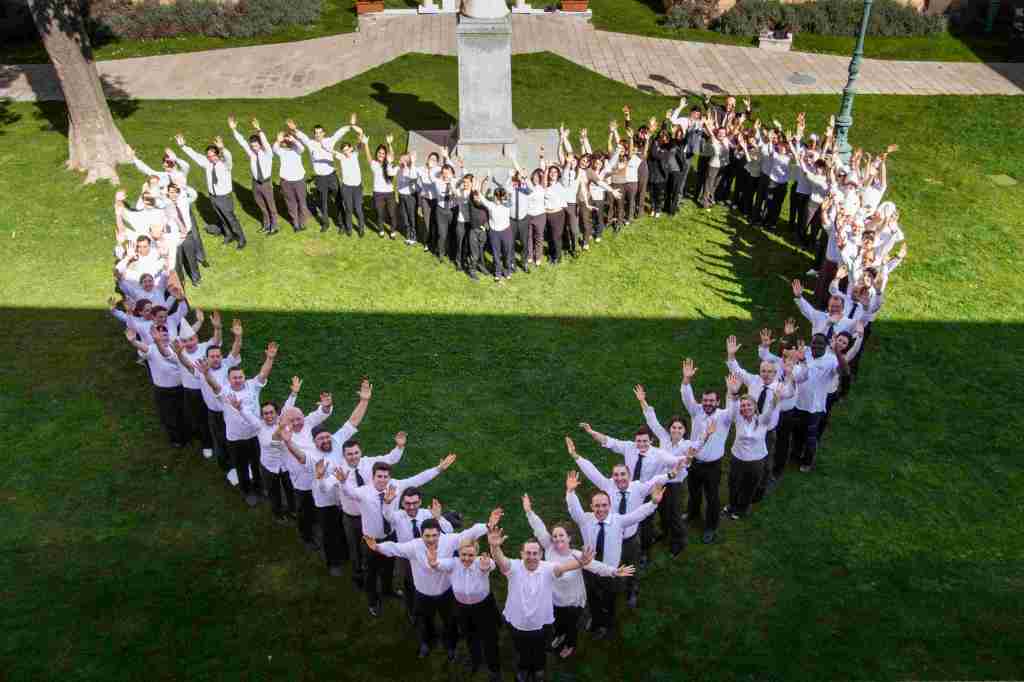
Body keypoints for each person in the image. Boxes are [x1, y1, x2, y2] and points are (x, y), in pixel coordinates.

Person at [364, 507, 502, 660]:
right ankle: (426, 643)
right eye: (427, 536)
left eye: (435, 535)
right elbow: (395, 548)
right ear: (421, 534)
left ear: (440, 533)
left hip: (446, 592)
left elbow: (469, 533)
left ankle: (451, 646)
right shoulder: (414, 546)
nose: (431, 539)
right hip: (423, 594)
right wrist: (378, 547)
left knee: (450, 621)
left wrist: (488, 526)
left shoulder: (449, 540)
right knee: (424, 621)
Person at [522, 493, 634, 660]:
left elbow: (596, 566)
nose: (557, 538)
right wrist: (529, 511)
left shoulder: (577, 555)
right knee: (557, 621)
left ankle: (570, 644)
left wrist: (613, 571)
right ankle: (559, 635)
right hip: (554, 598)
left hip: (572, 602)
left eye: (561, 535)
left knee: (571, 626)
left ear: (569, 538)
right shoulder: (549, 548)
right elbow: (539, 529)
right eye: (555, 536)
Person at [344, 453, 458, 616]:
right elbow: (349, 493)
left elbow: (418, 479)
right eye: (379, 476)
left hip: (391, 535)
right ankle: (372, 601)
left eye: (386, 476)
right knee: (371, 573)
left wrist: (438, 469)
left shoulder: (396, 485)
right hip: (371, 539)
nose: (383, 480)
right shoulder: (363, 492)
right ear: (373, 477)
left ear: (390, 477)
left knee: (389, 568)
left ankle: (387, 590)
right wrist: (343, 482)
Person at [565, 436, 671, 610]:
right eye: (616, 475)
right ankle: (607, 590)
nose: (619, 478)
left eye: (623, 474)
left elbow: (642, 507)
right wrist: (576, 456)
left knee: (630, 566)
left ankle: (631, 590)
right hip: (610, 538)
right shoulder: (608, 486)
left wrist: (668, 479)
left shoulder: (637, 487)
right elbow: (592, 472)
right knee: (608, 566)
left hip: (629, 539)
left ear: (629, 476)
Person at [487, 523, 593, 682]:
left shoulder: (548, 568)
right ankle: (523, 668)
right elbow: (501, 560)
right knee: (521, 649)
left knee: (540, 650)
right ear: (521, 554)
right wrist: (494, 547)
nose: (531, 557)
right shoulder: (514, 567)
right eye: (528, 553)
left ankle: (539, 669)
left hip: (542, 623)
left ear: (541, 554)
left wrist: (581, 562)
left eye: (535, 553)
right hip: (517, 622)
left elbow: (563, 568)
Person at [279, 378, 372, 555]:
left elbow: (353, 421)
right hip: (321, 495)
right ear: (314, 442)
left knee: (341, 523)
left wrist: (364, 400)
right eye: (320, 439)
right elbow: (300, 457)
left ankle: (345, 549)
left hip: (342, 493)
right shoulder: (312, 455)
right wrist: (288, 442)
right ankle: (330, 557)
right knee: (327, 527)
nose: (325, 440)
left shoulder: (336, 440)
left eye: (327, 436)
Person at [565, 470, 660, 641]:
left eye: (604, 505)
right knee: (593, 596)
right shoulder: (585, 520)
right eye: (597, 506)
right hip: (590, 569)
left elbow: (638, 514)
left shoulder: (618, 521)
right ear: (591, 507)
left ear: (609, 506)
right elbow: (574, 510)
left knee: (609, 600)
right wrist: (570, 492)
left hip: (611, 571)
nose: (601, 509)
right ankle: (596, 618)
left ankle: (607, 624)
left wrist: (653, 503)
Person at [578, 422, 678, 566]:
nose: (641, 444)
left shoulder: (658, 454)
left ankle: (645, 551)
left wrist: (676, 469)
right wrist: (591, 432)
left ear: (651, 441)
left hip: (647, 491)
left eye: (645, 441)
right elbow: (609, 441)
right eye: (638, 441)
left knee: (645, 524)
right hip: (626, 487)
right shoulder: (629, 448)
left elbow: (672, 464)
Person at [634, 384, 715, 556]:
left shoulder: (686, 445)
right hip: (660, 482)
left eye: (680, 428)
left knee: (674, 514)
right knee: (661, 511)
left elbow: (697, 445)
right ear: (669, 428)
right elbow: (652, 420)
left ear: (684, 431)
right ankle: (665, 532)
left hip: (675, 485)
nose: (676, 430)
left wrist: (707, 435)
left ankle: (679, 541)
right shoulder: (663, 437)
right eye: (673, 427)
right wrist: (643, 401)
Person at [200, 341, 279, 505]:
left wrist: (270, 358)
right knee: (241, 466)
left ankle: (259, 487)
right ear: (228, 379)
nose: (238, 380)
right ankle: (247, 491)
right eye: (234, 378)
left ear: (244, 377)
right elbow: (214, 385)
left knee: (257, 463)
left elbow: (263, 373)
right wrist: (207, 373)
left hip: (255, 435)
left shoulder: (252, 385)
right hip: (235, 438)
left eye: (240, 377)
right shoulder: (224, 391)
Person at [222, 375, 308, 523]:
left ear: (277, 413)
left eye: (271, 412)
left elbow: (288, 406)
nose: (268, 416)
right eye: (265, 413)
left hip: (286, 465)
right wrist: (240, 408)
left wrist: (294, 393)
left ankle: (293, 510)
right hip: (269, 467)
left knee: (290, 489)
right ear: (262, 416)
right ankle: (278, 513)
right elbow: (249, 417)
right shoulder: (259, 426)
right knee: (274, 493)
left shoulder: (282, 420)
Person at [680, 357, 736, 544]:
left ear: (718, 402)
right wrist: (686, 380)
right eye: (705, 400)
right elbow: (687, 397)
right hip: (694, 462)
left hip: (713, 466)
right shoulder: (696, 411)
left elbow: (733, 410)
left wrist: (732, 392)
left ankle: (711, 527)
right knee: (693, 491)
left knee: (712, 497)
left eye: (711, 401)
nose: (708, 403)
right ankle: (693, 513)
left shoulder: (724, 417)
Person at [429, 538, 502, 681]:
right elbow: (439, 564)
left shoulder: (481, 562)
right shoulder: (453, 563)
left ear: (476, 554)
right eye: (464, 555)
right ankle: (475, 660)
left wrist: (486, 567)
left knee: (489, 638)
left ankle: (494, 669)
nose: (467, 558)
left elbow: (491, 564)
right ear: (459, 553)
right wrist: (434, 563)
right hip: (462, 607)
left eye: (471, 555)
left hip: (483, 607)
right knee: (469, 635)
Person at [384, 487, 453, 621]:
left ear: (420, 502)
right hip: (407, 557)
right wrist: (387, 503)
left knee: (431, 579)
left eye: (415, 503)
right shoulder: (397, 516)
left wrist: (438, 517)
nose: (411, 507)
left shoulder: (428, 514)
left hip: (429, 554)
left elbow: (448, 531)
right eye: (407, 503)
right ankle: (412, 611)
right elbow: (387, 515)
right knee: (409, 584)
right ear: (402, 503)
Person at [721, 373, 783, 520]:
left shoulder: (763, 420)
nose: (746, 407)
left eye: (749, 405)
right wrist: (733, 392)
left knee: (749, 486)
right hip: (738, 458)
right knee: (733, 483)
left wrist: (776, 398)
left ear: (755, 407)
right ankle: (732, 505)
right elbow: (732, 407)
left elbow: (771, 408)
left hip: (756, 461)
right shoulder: (738, 419)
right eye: (743, 406)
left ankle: (741, 509)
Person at [176, 133, 246, 248]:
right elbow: (195, 155)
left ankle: (241, 238)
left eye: (213, 156)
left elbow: (228, 156)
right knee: (221, 217)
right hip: (213, 196)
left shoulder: (225, 165)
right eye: (208, 156)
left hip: (224, 197)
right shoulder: (207, 163)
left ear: (218, 155)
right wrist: (183, 146)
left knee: (230, 218)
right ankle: (229, 235)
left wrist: (222, 148)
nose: (211, 158)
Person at [123, 323, 187, 447]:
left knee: (183, 412)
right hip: (163, 391)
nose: (164, 337)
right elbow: (144, 348)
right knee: (168, 415)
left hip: (180, 388)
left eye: (165, 334)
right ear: (155, 337)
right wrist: (133, 341)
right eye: (160, 335)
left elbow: (170, 355)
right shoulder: (151, 349)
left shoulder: (176, 348)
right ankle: (176, 439)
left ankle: (187, 433)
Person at [171, 314, 222, 459]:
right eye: (185, 341)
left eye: (192, 339)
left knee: (216, 416)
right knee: (199, 418)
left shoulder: (205, 347)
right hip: (192, 391)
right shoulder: (178, 352)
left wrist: (217, 328)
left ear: (197, 338)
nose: (189, 343)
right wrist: (199, 321)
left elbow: (216, 341)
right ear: (180, 342)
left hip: (210, 389)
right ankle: (207, 443)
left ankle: (220, 442)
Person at [288, 118, 348, 232]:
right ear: (314, 134)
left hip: (331, 176)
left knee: (338, 200)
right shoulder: (311, 144)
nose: (318, 135)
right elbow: (303, 137)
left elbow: (338, 134)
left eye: (320, 132)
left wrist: (349, 126)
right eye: (316, 133)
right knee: (323, 203)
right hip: (320, 178)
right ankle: (325, 224)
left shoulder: (329, 141)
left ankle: (342, 224)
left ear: (324, 133)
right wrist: (295, 129)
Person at [228, 116, 279, 234]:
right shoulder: (252, 154)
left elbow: (266, 143)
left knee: (271, 206)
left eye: (256, 146)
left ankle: (274, 226)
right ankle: (266, 225)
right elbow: (242, 142)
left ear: (260, 145)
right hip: (255, 184)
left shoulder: (267, 154)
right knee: (262, 206)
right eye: (252, 146)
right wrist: (233, 129)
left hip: (266, 183)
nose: (254, 148)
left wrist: (259, 130)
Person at [270, 127, 314, 232]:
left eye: (287, 140)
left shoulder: (297, 150)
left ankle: (302, 222)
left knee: (302, 202)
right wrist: (278, 140)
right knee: (291, 203)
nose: (286, 142)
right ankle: (295, 224)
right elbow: (274, 148)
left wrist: (293, 139)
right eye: (284, 141)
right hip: (286, 182)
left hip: (299, 181)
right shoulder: (281, 151)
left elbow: (302, 148)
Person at [363, 133, 399, 239]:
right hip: (378, 193)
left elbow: (392, 155)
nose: (381, 155)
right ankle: (381, 230)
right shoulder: (374, 164)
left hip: (389, 193)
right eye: (379, 153)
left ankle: (392, 231)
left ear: (385, 155)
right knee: (380, 214)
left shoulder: (388, 163)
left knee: (392, 214)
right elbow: (368, 156)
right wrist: (366, 144)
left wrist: (389, 144)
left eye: (383, 153)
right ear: (377, 153)